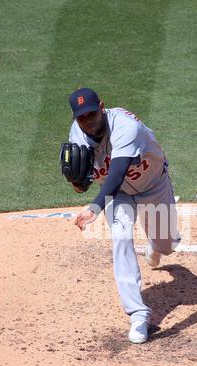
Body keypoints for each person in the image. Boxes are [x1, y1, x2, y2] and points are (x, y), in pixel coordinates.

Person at [68, 87, 180, 344]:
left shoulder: (126, 126)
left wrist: (94, 207)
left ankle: (157, 247)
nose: (88, 121)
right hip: (117, 197)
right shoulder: (77, 134)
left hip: (153, 185)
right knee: (120, 236)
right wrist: (77, 184)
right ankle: (138, 315)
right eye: (81, 117)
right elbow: (82, 177)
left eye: (91, 114)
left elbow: (117, 174)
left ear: (102, 107)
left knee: (167, 244)